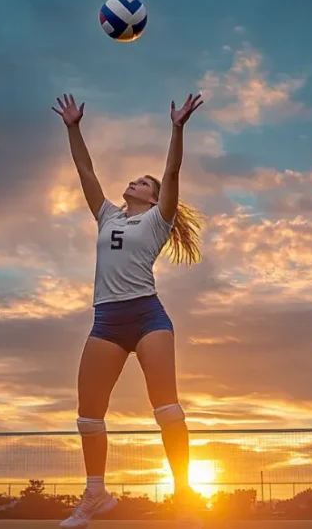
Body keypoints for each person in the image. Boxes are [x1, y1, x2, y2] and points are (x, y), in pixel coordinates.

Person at [51, 92, 205, 528]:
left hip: (147, 316)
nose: (135, 183)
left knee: (166, 409)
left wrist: (177, 128)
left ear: (155, 199)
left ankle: (184, 494)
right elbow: (85, 170)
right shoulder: (107, 216)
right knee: (88, 415)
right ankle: (95, 495)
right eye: (135, 179)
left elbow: (172, 171)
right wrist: (73, 128)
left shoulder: (158, 220)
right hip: (107, 320)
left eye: (143, 183)